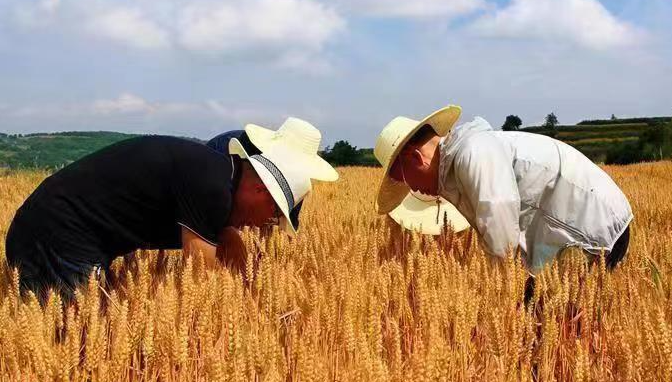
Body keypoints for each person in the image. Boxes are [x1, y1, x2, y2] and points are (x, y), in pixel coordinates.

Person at [6, 117, 338, 302]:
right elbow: (200, 282)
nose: (267, 223)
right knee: (76, 336)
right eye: (274, 212)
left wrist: (250, 295)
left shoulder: (218, 176)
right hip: (54, 231)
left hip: (63, 229)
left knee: (97, 325)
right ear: (258, 189)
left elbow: (229, 245)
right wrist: (233, 318)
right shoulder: (211, 187)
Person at [373, 105, 633, 279]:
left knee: (557, 328)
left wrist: (503, 296)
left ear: (415, 157)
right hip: (580, 228)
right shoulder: (463, 157)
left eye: (402, 178)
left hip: (592, 230)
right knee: (545, 323)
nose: (411, 188)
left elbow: (499, 223)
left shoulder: (473, 153)